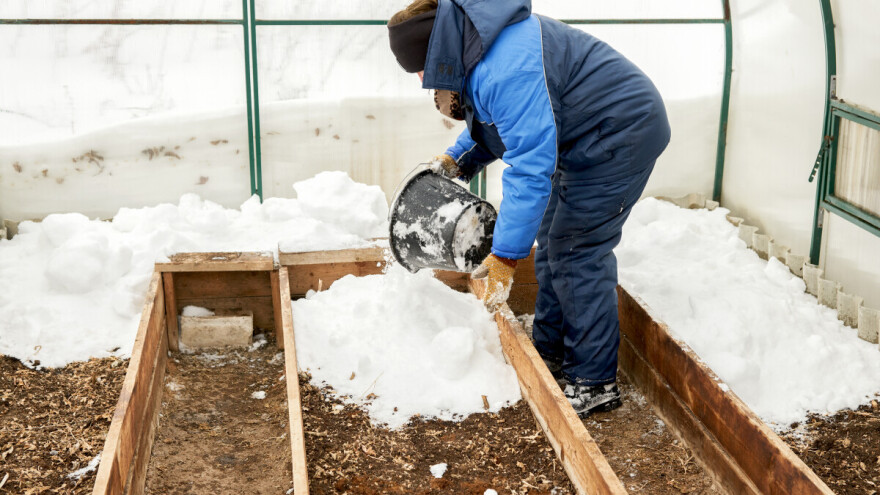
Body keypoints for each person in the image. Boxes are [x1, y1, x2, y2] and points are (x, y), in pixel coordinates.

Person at [387, 0, 670, 417]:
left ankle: (593, 381)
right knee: (554, 240)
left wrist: (504, 256)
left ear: (434, 52)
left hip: (620, 132)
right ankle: (552, 350)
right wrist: (459, 158)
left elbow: (530, 164)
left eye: (418, 68)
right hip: (580, 136)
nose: (420, 79)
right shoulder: (476, 47)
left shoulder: (504, 65)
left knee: (577, 249)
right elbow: (500, 122)